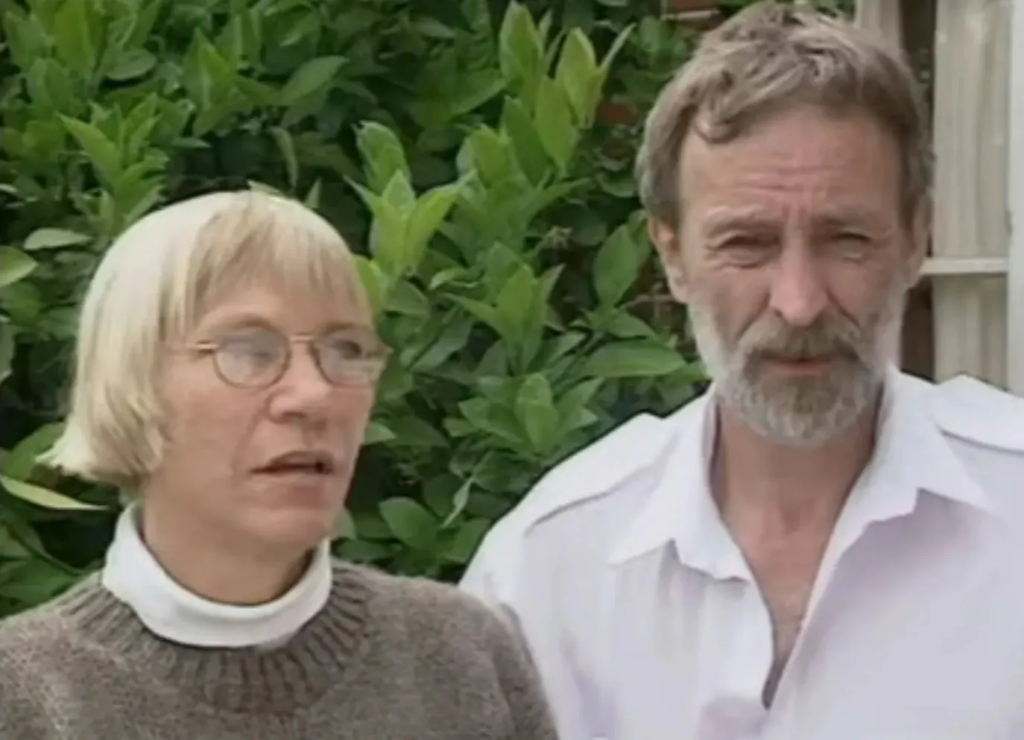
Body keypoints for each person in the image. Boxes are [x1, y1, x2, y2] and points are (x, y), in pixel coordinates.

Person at [460, 2, 1024, 739]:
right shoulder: (546, 568)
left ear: (917, 239)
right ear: (671, 254)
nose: (797, 303)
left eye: (846, 239)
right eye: (747, 244)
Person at [0, 190, 559, 740]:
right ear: (130, 381)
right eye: (248, 350)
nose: (313, 394)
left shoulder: (460, 657)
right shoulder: (25, 697)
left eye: (345, 350)